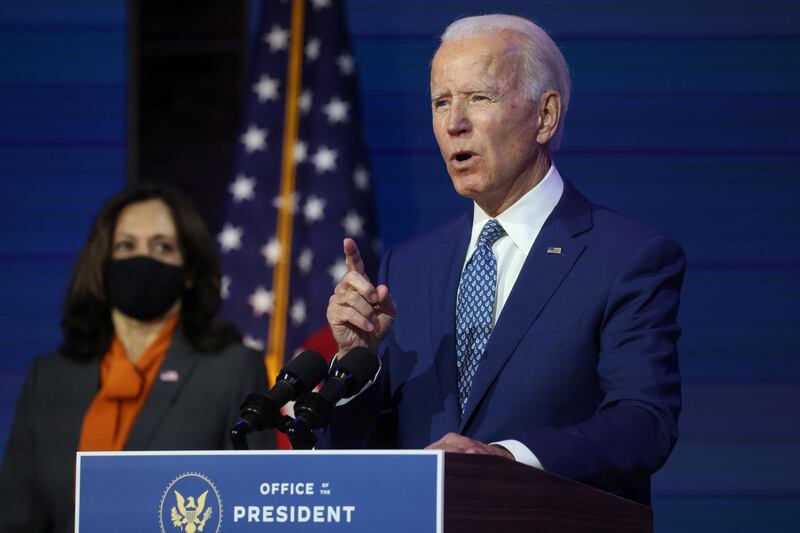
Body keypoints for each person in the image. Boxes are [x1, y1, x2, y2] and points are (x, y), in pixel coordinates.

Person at [324, 14, 684, 505]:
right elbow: (355, 449)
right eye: (441, 102)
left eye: (479, 98)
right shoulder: (407, 266)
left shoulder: (627, 257)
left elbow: (645, 422)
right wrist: (354, 364)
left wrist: (508, 460)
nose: (454, 123)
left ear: (545, 116)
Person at [0, 183, 274, 532]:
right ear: (102, 262)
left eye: (162, 247)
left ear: (189, 270)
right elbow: (15, 520)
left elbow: (250, 513)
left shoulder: (232, 369)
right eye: (126, 246)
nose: (142, 260)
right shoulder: (50, 377)